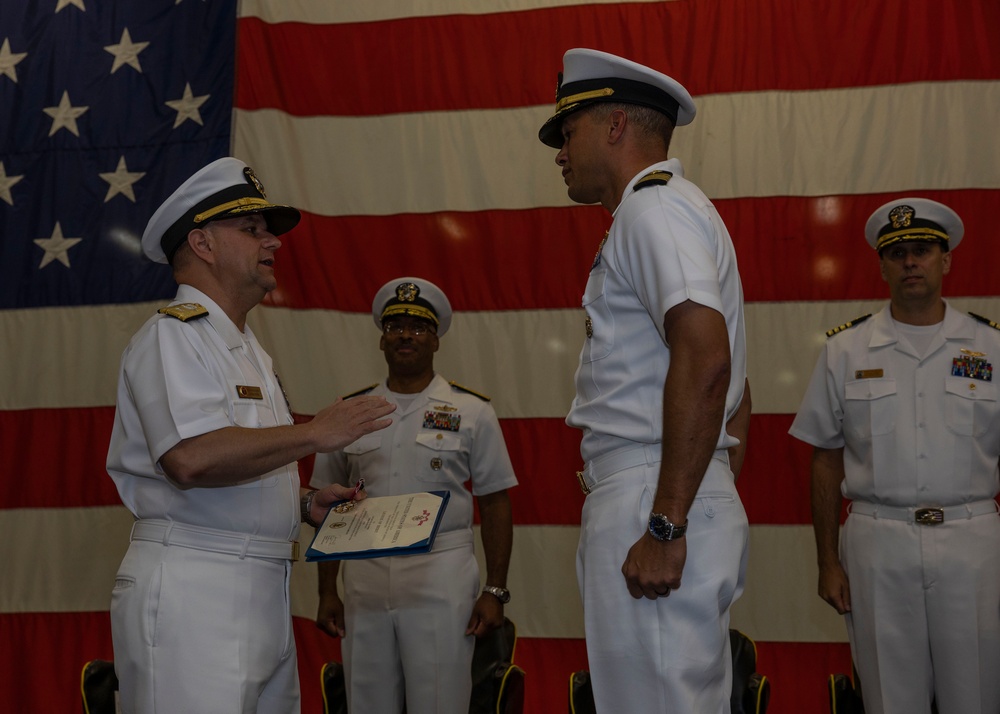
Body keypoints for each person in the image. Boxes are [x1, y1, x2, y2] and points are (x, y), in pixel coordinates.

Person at [105, 157, 396, 714]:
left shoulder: (246, 349)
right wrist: (316, 434)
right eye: (253, 229)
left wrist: (305, 501)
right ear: (203, 243)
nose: (274, 243)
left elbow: (240, 463)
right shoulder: (174, 337)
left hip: (263, 586)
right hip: (197, 588)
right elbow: (190, 459)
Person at [537, 49, 751, 712]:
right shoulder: (667, 210)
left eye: (566, 132)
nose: (559, 153)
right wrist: (701, 490)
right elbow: (736, 393)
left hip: (654, 498)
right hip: (669, 488)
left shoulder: (652, 210)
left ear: (615, 125)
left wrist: (666, 521)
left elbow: (708, 359)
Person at [790, 197, 1000, 714]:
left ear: (945, 259)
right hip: (877, 545)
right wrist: (826, 561)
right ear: (882, 265)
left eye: (923, 250)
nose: (910, 261)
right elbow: (825, 458)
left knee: (975, 695)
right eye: (898, 252)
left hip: (972, 544)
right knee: (888, 699)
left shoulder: (991, 349)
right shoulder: (846, 351)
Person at [310, 277, 518, 714]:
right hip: (364, 575)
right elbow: (327, 505)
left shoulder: (471, 410)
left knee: (440, 701)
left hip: (440, 574)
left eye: (419, 327)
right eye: (395, 326)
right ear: (382, 339)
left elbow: (496, 501)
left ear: (436, 340)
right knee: (366, 701)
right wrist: (327, 589)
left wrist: (495, 590)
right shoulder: (350, 413)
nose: (406, 335)